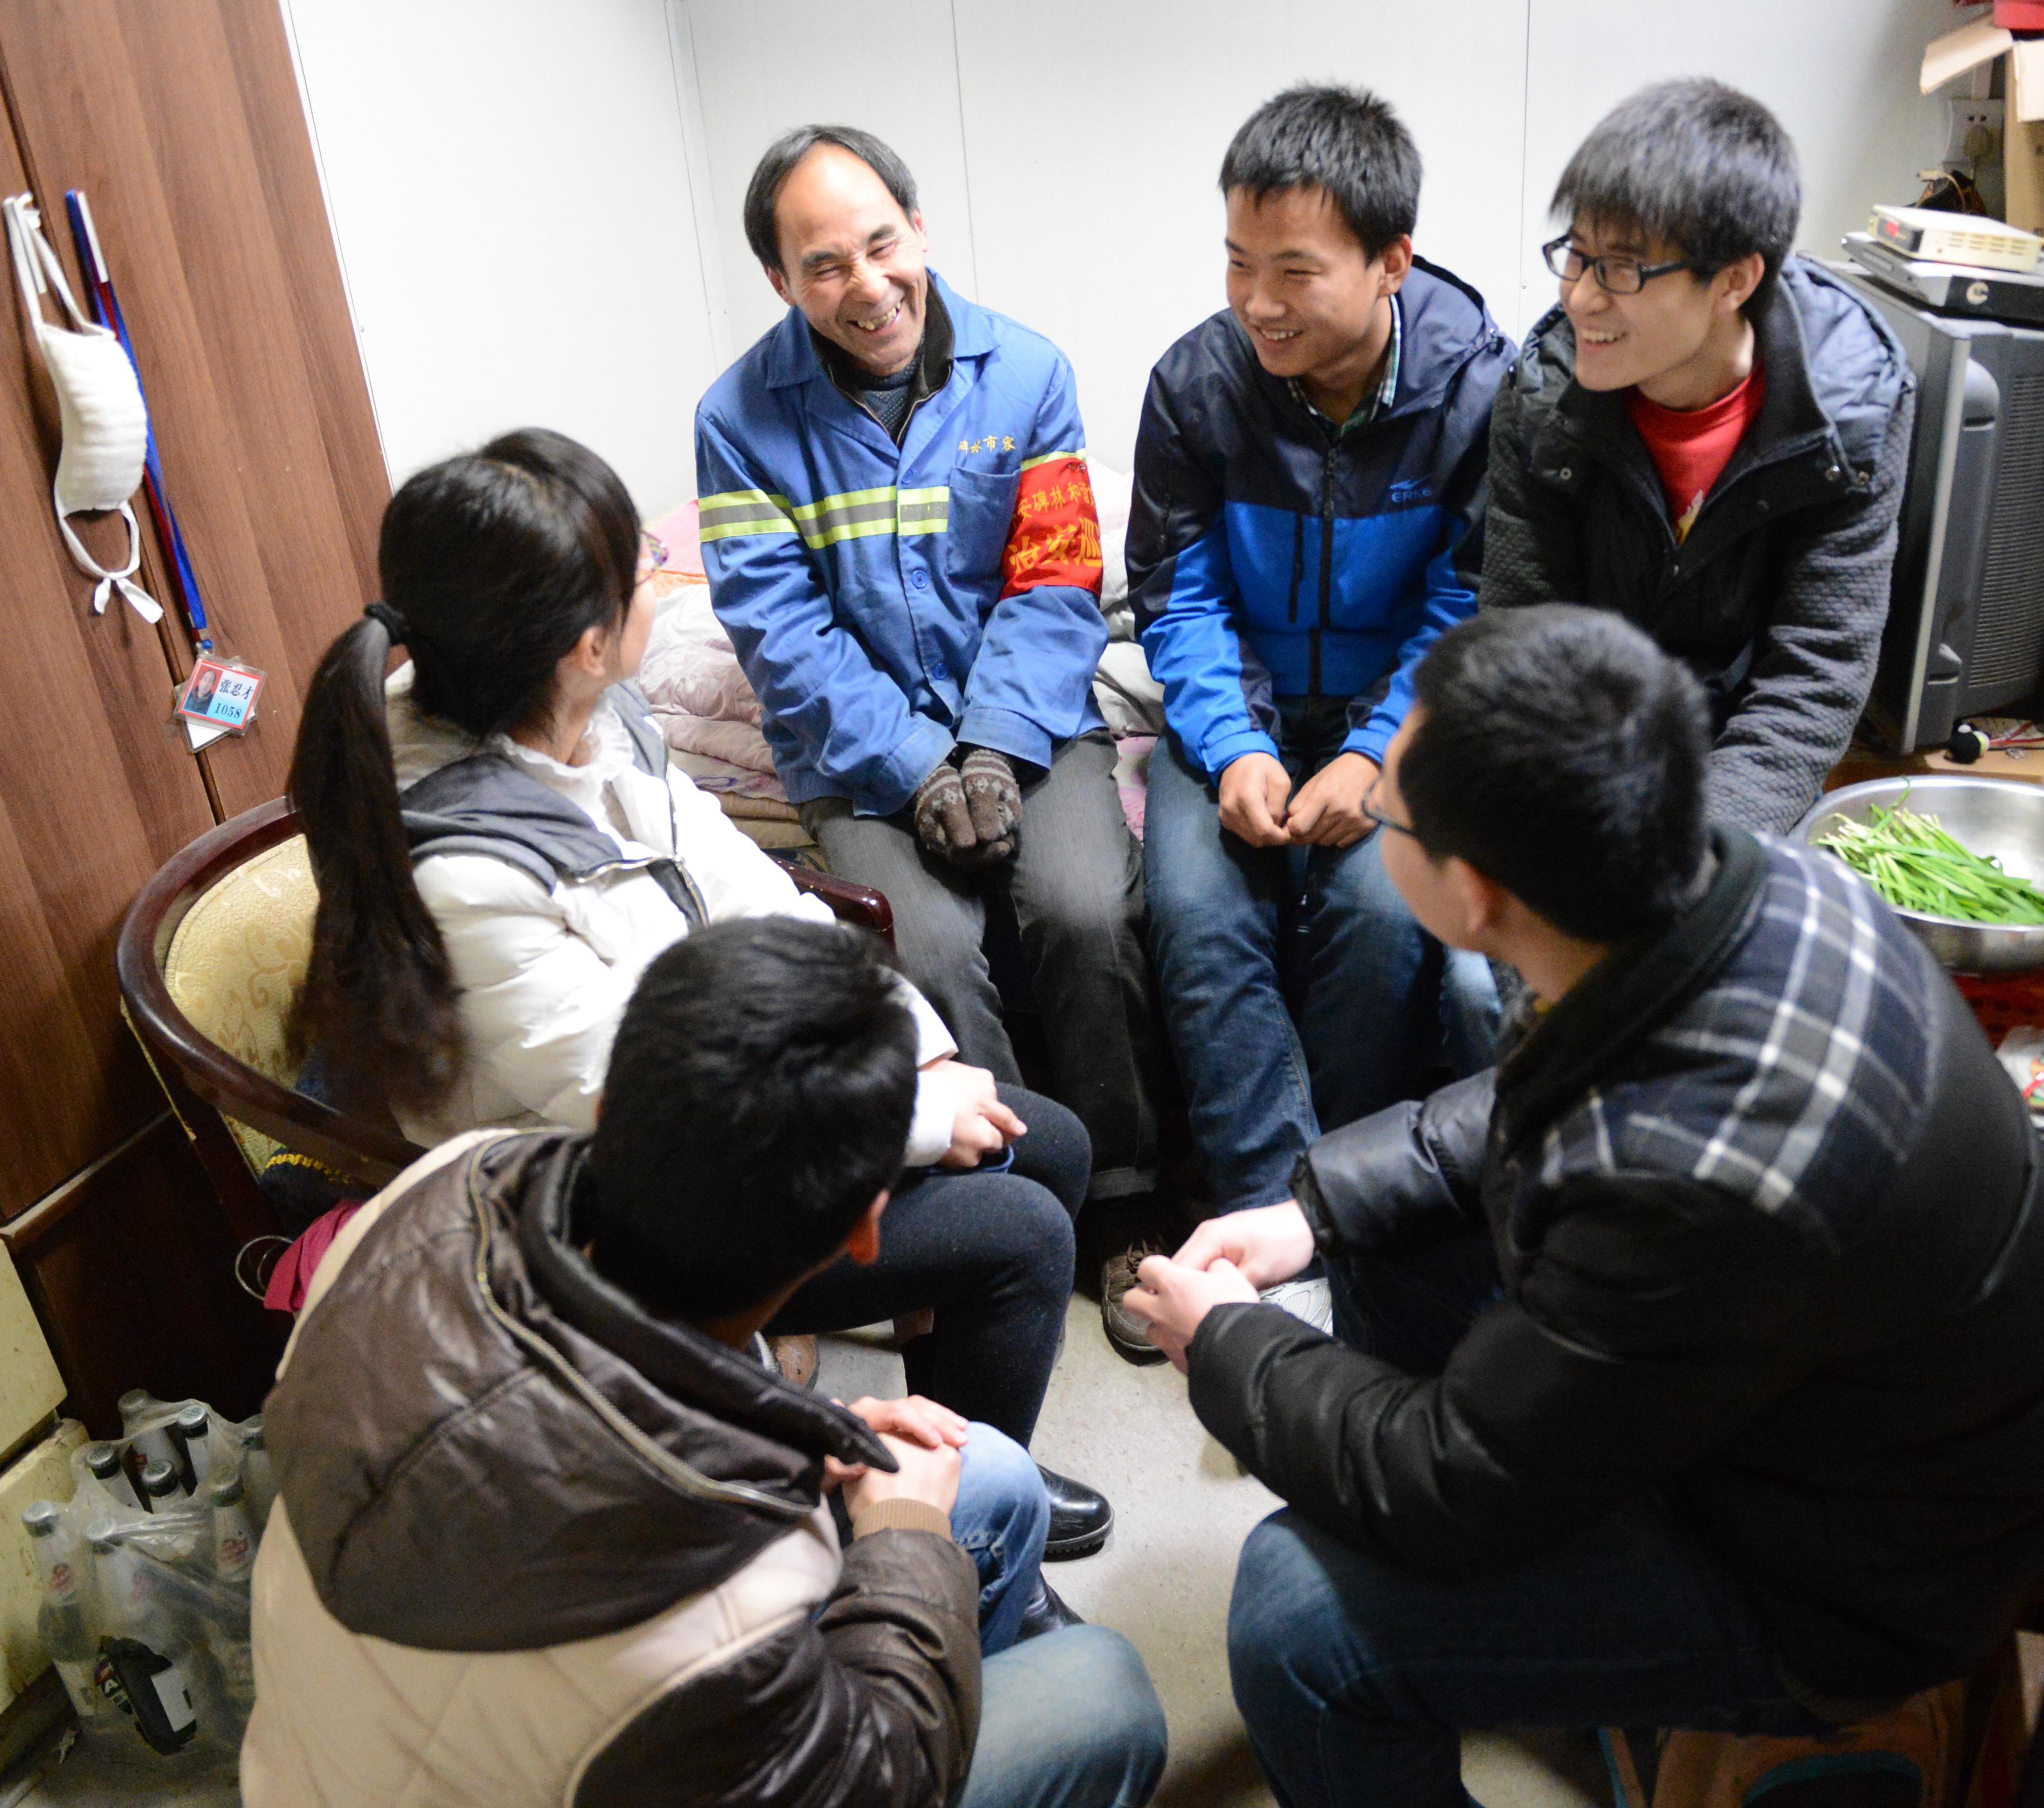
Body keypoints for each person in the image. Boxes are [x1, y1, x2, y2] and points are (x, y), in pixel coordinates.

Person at [1123, 607, 2044, 1808]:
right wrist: (1314, 1211)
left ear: (1477, 894)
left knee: (1300, 1617)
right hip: (1818, 1415)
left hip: (1854, 1583)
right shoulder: (1742, 880)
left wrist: (1226, 1343)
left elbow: (1448, 1477)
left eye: (1388, 814)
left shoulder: (1688, 1175)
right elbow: (1552, 1083)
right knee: (1385, 1241)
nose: (1371, 817)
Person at [287, 428, 1113, 1554]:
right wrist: (912, 1114)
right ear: (588, 645)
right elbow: (644, 1113)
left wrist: (912, 1048)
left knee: (1049, 1143)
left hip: (704, 1102)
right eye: (641, 571)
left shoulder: (588, 719)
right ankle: (943, 1531)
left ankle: (957, 1453)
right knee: (1019, 1229)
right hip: (599, 1215)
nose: (658, 580)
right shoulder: (466, 871)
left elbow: (748, 887)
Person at [244, 917, 1168, 1807]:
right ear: (866, 1228)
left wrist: (795, 1433)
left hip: (353, 1753)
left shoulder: (445, 1188)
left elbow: (591, 1410)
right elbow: (879, 1778)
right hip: (652, 1720)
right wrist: (905, 1544)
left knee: (991, 1476)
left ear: (613, 1106)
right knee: (1103, 1691)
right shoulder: (733, 1607)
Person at [695, 124, 1161, 1209]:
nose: (868, 286)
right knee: (925, 947)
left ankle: (1125, 1191)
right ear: (780, 280)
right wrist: (915, 767)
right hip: (858, 755)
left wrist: (992, 748)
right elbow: (779, 629)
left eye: (881, 244)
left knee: (1088, 909)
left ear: (918, 228)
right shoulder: (736, 420)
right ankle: (1015, 1201)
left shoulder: (1028, 374)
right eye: (825, 266)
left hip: (1031, 724)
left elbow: (1055, 579)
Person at [1116, 85, 1509, 1360]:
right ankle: (1264, 1244)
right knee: (1195, 905)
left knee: (1380, 914)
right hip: (1237, 714)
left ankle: (1336, 1208)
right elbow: (1177, 592)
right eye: (1238, 262)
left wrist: (1373, 751)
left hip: (1397, 726)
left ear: (1391, 261)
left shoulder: (1479, 392)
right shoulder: (1195, 384)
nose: (1257, 301)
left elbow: (1467, 601)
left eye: (1294, 270)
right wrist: (1233, 743)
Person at [1481, 79, 1916, 834]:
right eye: (1576, 255)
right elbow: (1526, 638)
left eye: (1622, 268)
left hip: (1748, 774)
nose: (1581, 298)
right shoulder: (1544, 395)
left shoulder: (1851, 413)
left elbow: (1815, 674)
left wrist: (1694, 850)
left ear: (1734, 281)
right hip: (1586, 755)